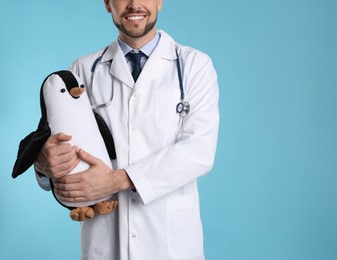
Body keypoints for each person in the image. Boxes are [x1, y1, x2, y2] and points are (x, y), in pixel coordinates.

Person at [33, 0, 219, 259]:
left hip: (171, 246)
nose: (134, 5)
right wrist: (43, 165)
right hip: (105, 245)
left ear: (159, 1)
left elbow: (199, 151)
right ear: (108, 3)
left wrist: (117, 180)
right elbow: (55, 144)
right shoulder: (82, 71)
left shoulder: (194, 66)